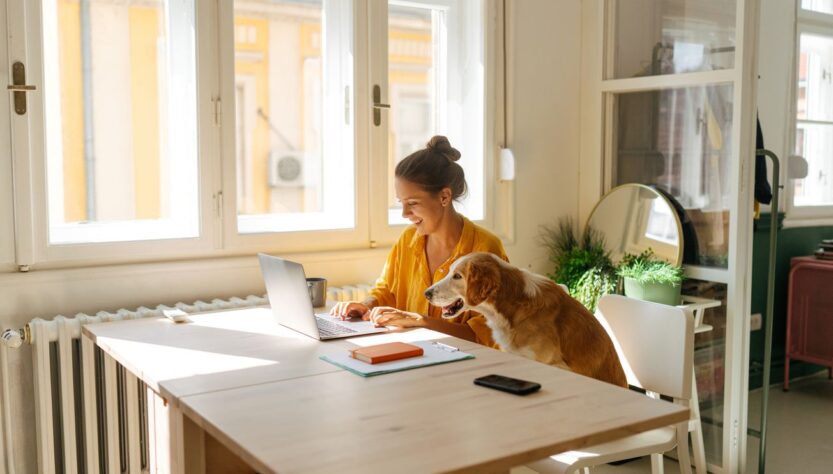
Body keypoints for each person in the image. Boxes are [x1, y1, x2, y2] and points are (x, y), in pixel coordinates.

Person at [330, 136, 508, 347]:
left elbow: (487, 336)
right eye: (401, 203)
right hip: (411, 354)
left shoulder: (485, 249)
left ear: (444, 197)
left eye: (412, 203)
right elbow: (387, 290)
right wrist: (365, 305)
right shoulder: (408, 240)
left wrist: (422, 322)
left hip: (464, 364)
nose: (405, 213)